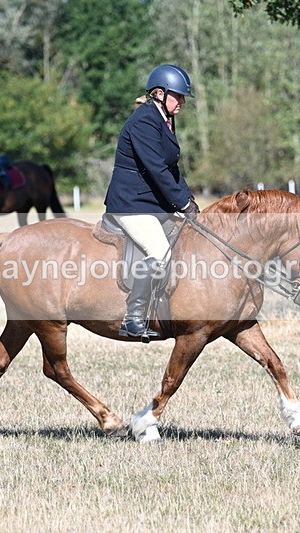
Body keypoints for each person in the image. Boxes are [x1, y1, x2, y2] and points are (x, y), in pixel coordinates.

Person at [104, 64, 200, 339]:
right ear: (159, 93)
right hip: (130, 204)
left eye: (183, 97)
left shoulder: (164, 119)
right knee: (159, 250)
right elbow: (157, 169)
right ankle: (133, 318)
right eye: (178, 96)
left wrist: (189, 200)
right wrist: (181, 204)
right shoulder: (144, 120)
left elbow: (172, 169)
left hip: (150, 204)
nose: (182, 101)